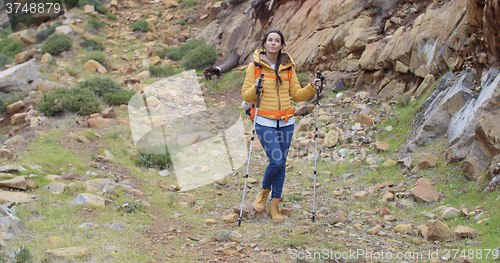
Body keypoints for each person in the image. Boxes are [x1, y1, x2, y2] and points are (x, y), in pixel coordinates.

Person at [241, 29, 323, 222]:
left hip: (286, 122)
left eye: (277, 40)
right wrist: (256, 87)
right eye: (270, 40)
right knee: (276, 161)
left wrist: (312, 86)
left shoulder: (288, 67)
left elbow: (296, 94)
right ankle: (263, 193)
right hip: (264, 121)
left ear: (281, 44)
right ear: (265, 43)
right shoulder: (255, 67)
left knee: (281, 165)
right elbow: (246, 95)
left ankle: (274, 205)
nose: (273, 43)